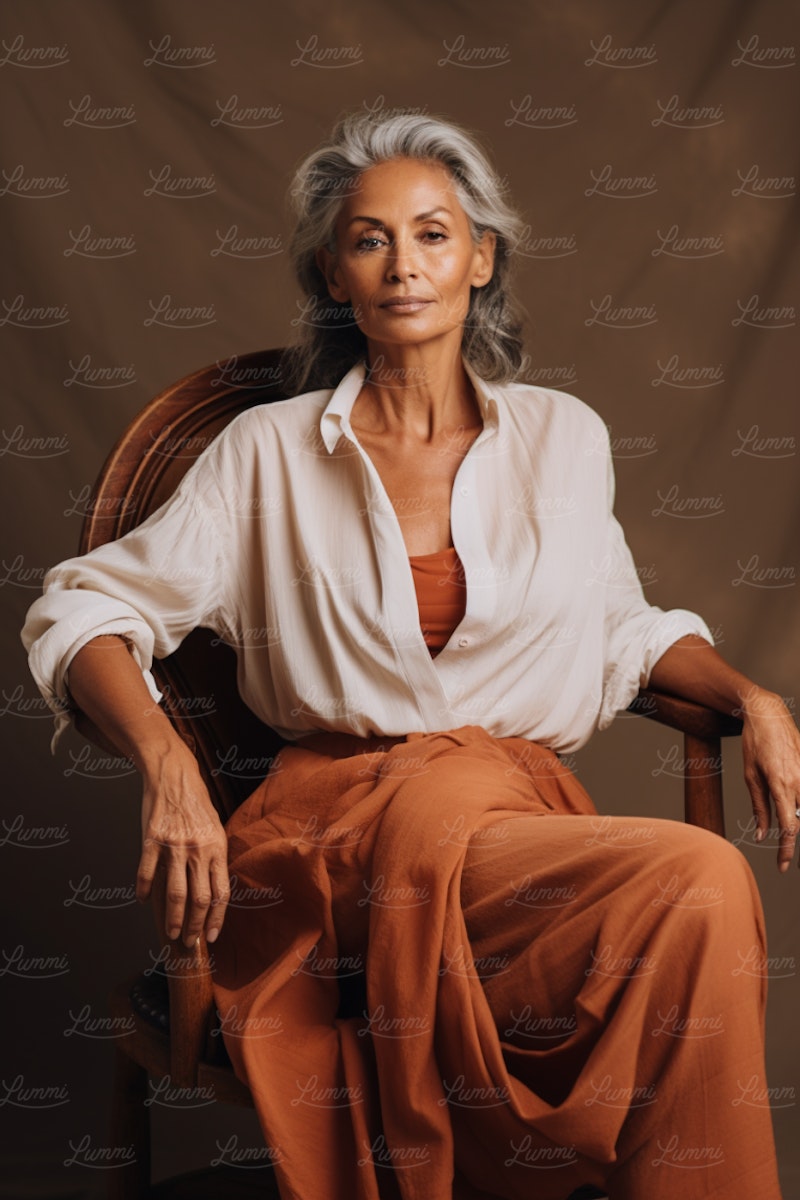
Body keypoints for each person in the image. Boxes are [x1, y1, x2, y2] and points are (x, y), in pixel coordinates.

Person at [22, 109, 798, 1200]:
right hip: (337, 843)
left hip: (513, 839)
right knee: (699, 881)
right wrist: (166, 763)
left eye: (433, 234)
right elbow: (86, 608)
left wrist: (750, 695)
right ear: (334, 275)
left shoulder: (561, 439)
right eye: (369, 238)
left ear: (481, 259)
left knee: (677, 931)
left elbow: (617, 629)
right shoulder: (268, 455)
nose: (403, 265)